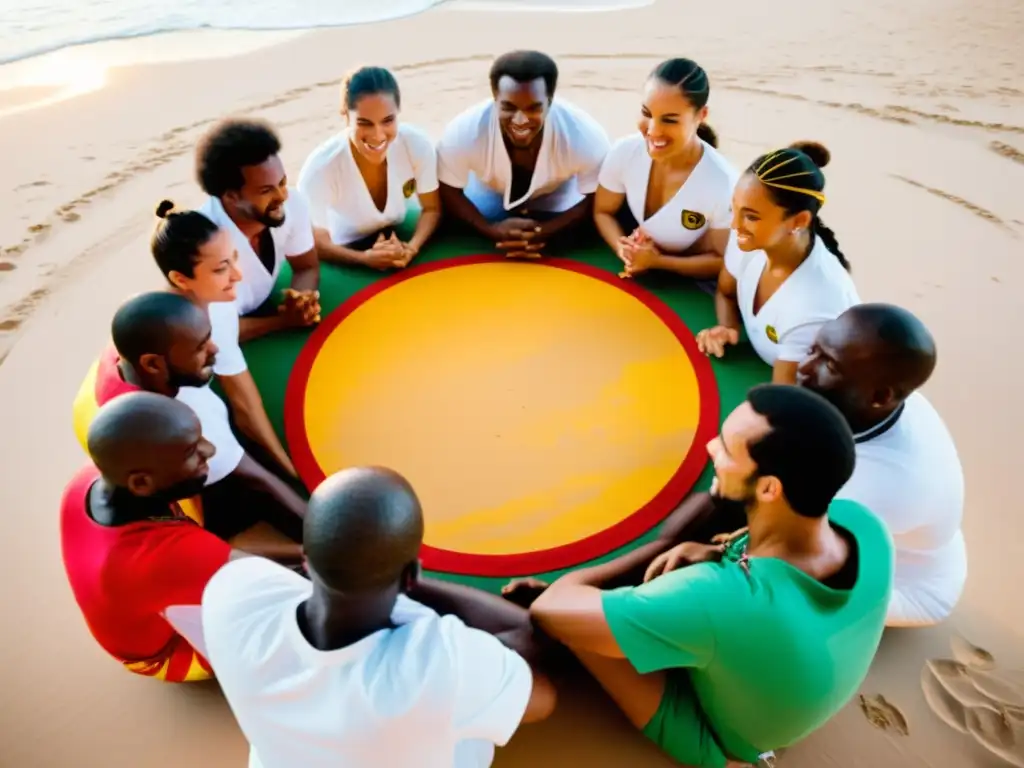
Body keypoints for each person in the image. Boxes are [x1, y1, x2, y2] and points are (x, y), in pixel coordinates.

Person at [512, 385, 894, 768]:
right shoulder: (864, 525)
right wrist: (713, 552)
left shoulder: (719, 595)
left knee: (574, 633)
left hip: (724, 744)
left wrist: (655, 551)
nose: (711, 447)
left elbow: (550, 609)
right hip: (796, 682)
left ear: (769, 487)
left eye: (727, 449)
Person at [202, 466, 556, 768]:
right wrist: (396, 578)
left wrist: (370, 572)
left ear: (307, 557)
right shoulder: (440, 663)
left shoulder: (230, 593)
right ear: (411, 577)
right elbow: (541, 698)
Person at [60, 392, 300, 683]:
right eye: (190, 452)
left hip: (154, 585)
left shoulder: (86, 481)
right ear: (140, 482)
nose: (209, 450)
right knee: (293, 614)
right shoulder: (167, 556)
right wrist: (310, 554)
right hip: (168, 654)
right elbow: (267, 578)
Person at [72, 291, 306, 543]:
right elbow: (257, 478)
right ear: (153, 365)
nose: (214, 347)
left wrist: (281, 322)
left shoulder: (134, 351)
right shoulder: (180, 421)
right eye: (200, 347)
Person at [798, 303, 966, 627]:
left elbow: (798, 550)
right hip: (914, 540)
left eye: (828, 365)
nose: (804, 367)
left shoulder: (879, 484)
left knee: (774, 590)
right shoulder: (880, 401)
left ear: (880, 396)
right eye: (813, 349)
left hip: (909, 587)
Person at [151, 201, 300, 480]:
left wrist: (282, 322)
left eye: (234, 258)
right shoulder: (204, 324)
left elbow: (231, 332)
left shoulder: (197, 300)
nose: (238, 275)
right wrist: (292, 472)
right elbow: (247, 412)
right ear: (181, 279)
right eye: (221, 268)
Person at [697, 143, 860, 384]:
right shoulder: (748, 239)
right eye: (735, 209)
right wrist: (728, 326)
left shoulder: (815, 303)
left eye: (751, 216)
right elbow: (726, 291)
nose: (735, 225)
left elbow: (781, 402)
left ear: (799, 220)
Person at [437, 50, 610, 258]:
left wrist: (546, 232)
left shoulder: (585, 136)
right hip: (488, 193)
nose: (520, 120)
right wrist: (489, 230)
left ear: (550, 101)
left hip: (559, 196)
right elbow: (447, 187)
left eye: (533, 109)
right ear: (495, 98)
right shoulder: (463, 131)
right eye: (508, 107)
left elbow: (599, 197)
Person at [594, 58, 737, 286]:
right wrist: (624, 249)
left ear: (701, 116)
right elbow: (603, 211)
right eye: (646, 113)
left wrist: (657, 262)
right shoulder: (624, 151)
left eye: (669, 120)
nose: (653, 130)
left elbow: (725, 261)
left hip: (692, 283)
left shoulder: (723, 183)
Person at [298, 66, 441, 271]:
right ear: (345, 115)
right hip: (346, 247)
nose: (378, 135)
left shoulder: (416, 144)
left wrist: (412, 247)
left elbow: (432, 208)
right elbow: (314, 242)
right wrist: (364, 259)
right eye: (365, 123)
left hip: (398, 230)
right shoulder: (320, 168)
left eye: (388, 121)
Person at [195, 117, 320, 341]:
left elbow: (306, 267)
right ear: (231, 196)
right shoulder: (203, 243)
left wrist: (300, 300)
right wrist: (282, 321)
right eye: (266, 190)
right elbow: (212, 332)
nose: (282, 196)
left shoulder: (293, 204)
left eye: (282, 182)